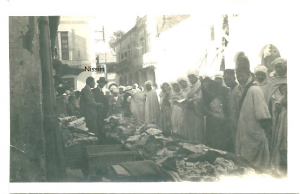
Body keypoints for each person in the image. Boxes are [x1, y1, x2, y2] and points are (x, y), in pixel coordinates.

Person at [235, 66, 271, 170]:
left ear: (249, 75)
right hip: (245, 130)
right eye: (238, 76)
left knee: (254, 161)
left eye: (242, 76)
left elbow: (262, 111)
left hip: (254, 130)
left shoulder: (255, 89)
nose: (240, 78)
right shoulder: (243, 89)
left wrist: (265, 127)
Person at [268, 58, 287, 176]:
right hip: (276, 113)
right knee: (277, 136)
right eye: (277, 67)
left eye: (281, 66)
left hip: (287, 113)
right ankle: (276, 164)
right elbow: (270, 97)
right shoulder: (273, 81)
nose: (279, 69)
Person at [201, 77, 231, 151]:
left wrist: (208, 112)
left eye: (208, 89)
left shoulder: (216, 100)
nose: (207, 92)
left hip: (219, 128)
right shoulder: (219, 97)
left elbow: (221, 117)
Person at [182, 69, 204, 143]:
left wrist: (192, 102)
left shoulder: (201, 86)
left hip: (197, 112)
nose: (191, 79)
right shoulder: (189, 87)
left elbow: (201, 99)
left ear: (197, 77)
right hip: (189, 112)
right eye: (189, 77)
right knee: (190, 131)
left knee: (197, 131)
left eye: (192, 77)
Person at [223, 69, 240, 152]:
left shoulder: (238, 89)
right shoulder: (230, 90)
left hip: (238, 122)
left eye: (228, 79)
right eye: (225, 80)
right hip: (232, 121)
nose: (227, 82)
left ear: (234, 78)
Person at [92, 77, 109, 142]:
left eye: (104, 83)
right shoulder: (94, 91)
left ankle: (101, 140)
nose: (104, 84)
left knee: (101, 126)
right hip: (97, 112)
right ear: (99, 83)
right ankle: (99, 140)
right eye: (103, 83)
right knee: (99, 126)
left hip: (102, 112)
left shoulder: (101, 91)